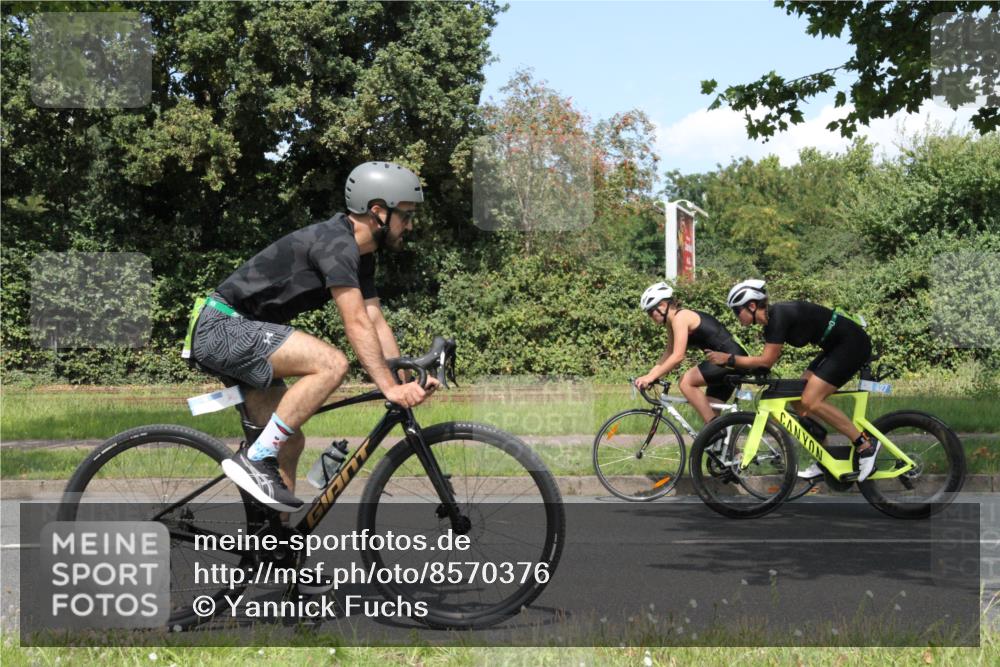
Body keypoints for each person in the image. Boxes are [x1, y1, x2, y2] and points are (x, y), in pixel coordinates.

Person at [186, 161, 437, 514]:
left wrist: (403, 381)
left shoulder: (362, 255)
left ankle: (271, 552)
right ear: (378, 212)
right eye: (406, 215)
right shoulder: (336, 244)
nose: (409, 225)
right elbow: (355, 324)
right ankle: (255, 458)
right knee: (331, 363)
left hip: (245, 331)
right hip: (223, 326)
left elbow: (374, 319)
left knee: (288, 444)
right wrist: (389, 387)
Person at [706, 279, 880, 482]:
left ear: (751, 306)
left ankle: (865, 445)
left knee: (811, 400)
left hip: (852, 344)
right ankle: (826, 457)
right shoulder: (771, 324)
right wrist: (735, 368)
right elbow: (764, 364)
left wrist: (728, 359)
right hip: (835, 347)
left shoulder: (779, 316)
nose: (737, 317)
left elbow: (767, 360)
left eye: (737, 311)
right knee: (798, 400)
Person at [634, 282, 748, 425]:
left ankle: (714, 430)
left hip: (730, 358)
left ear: (663, 305)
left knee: (685, 382)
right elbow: (669, 353)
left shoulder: (681, 318)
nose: (650, 317)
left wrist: (651, 377)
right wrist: (649, 375)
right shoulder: (671, 322)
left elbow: (677, 356)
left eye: (651, 312)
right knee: (710, 409)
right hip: (722, 361)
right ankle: (725, 444)